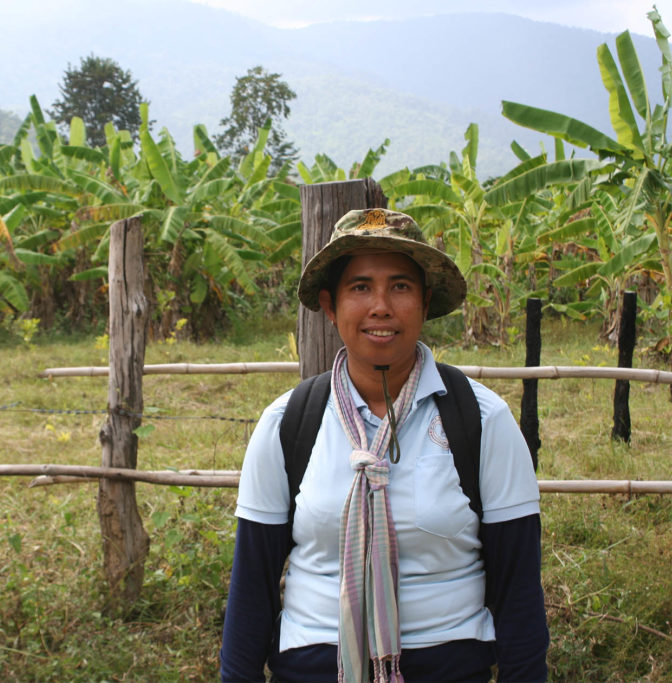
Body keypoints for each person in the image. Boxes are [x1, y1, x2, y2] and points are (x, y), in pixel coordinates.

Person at [220, 208, 548, 682]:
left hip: (449, 669)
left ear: (424, 300)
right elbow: (251, 589)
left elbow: (519, 591)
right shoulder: (287, 425)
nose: (381, 307)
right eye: (360, 287)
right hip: (311, 668)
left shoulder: (481, 420)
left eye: (400, 286)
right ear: (330, 306)